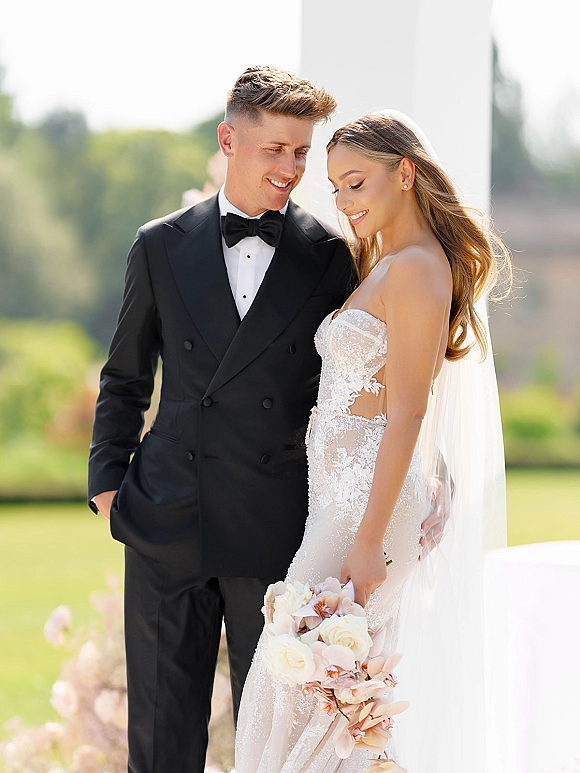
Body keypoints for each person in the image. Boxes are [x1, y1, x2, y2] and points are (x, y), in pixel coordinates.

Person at [88, 66, 355, 773]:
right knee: (160, 738)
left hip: (272, 527)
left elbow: (351, 395)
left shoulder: (330, 259)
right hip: (165, 514)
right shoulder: (159, 244)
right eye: (275, 151)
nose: (291, 169)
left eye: (301, 153)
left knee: (271, 739)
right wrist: (109, 487)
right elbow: (125, 377)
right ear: (228, 140)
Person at [235, 111, 509, 773]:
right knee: (323, 700)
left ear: (405, 173)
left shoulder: (416, 268)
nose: (344, 202)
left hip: (365, 518)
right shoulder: (391, 264)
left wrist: (366, 540)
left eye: (356, 183)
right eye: (335, 188)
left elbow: (408, 412)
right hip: (339, 508)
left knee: (305, 692)